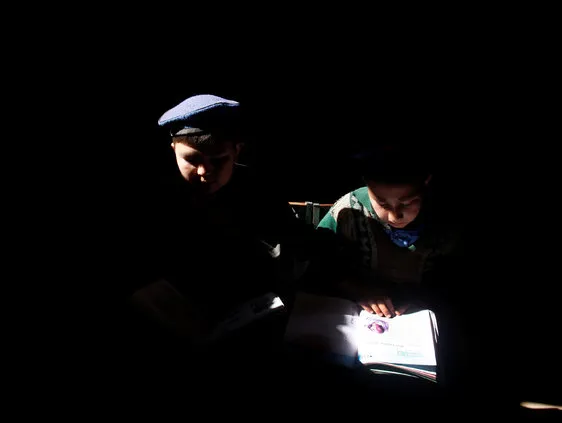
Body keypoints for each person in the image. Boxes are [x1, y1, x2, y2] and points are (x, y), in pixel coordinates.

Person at [132, 94, 311, 343]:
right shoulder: (150, 198)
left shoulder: (254, 189)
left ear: (237, 151)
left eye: (218, 160)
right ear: (173, 147)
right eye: (192, 160)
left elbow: (296, 235)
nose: (205, 172)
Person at [317, 144, 463, 318]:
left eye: (408, 203)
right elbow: (319, 264)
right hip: (358, 311)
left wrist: (419, 298)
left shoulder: (445, 221)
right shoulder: (349, 211)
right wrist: (357, 289)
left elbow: (455, 279)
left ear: (426, 183)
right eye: (382, 204)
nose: (394, 216)